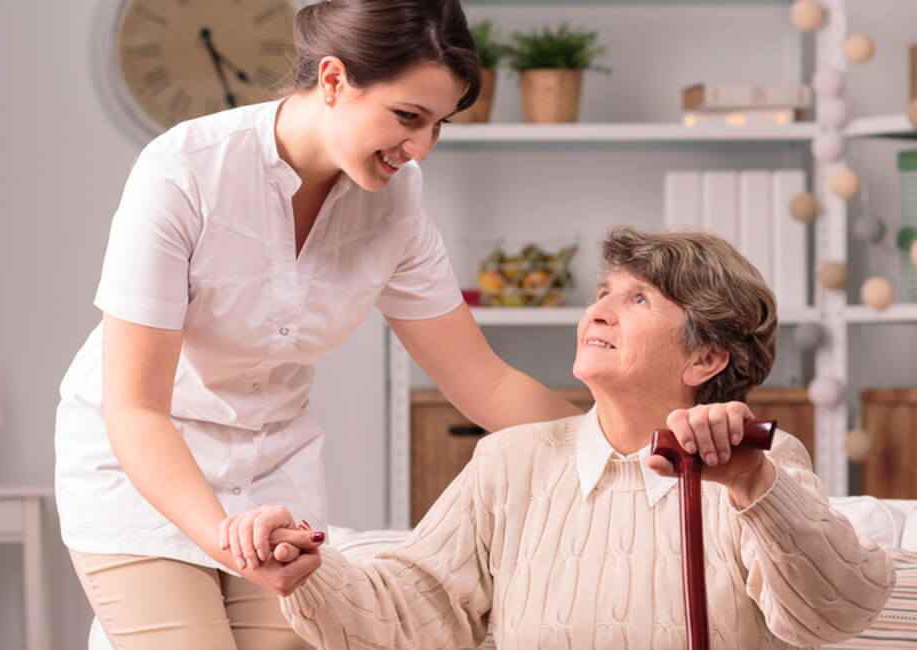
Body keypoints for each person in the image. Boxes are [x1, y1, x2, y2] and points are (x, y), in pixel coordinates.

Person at [55, 1, 762, 647]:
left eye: (439, 125)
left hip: (270, 474)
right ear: (333, 80)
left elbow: (481, 381)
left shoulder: (393, 204)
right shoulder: (185, 172)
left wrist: (629, 454)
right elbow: (137, 407)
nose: (422, 147)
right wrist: (225, 537)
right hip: (142, 467)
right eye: (407, 117)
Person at [252, 229, 895, 649]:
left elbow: (834, 613)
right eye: (602, 294)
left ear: (705, 360)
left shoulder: (760, 464)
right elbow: (417, 611)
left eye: (640, 300)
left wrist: (753, 486)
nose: (599, 312)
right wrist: (312, 575)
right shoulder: (513, 462)